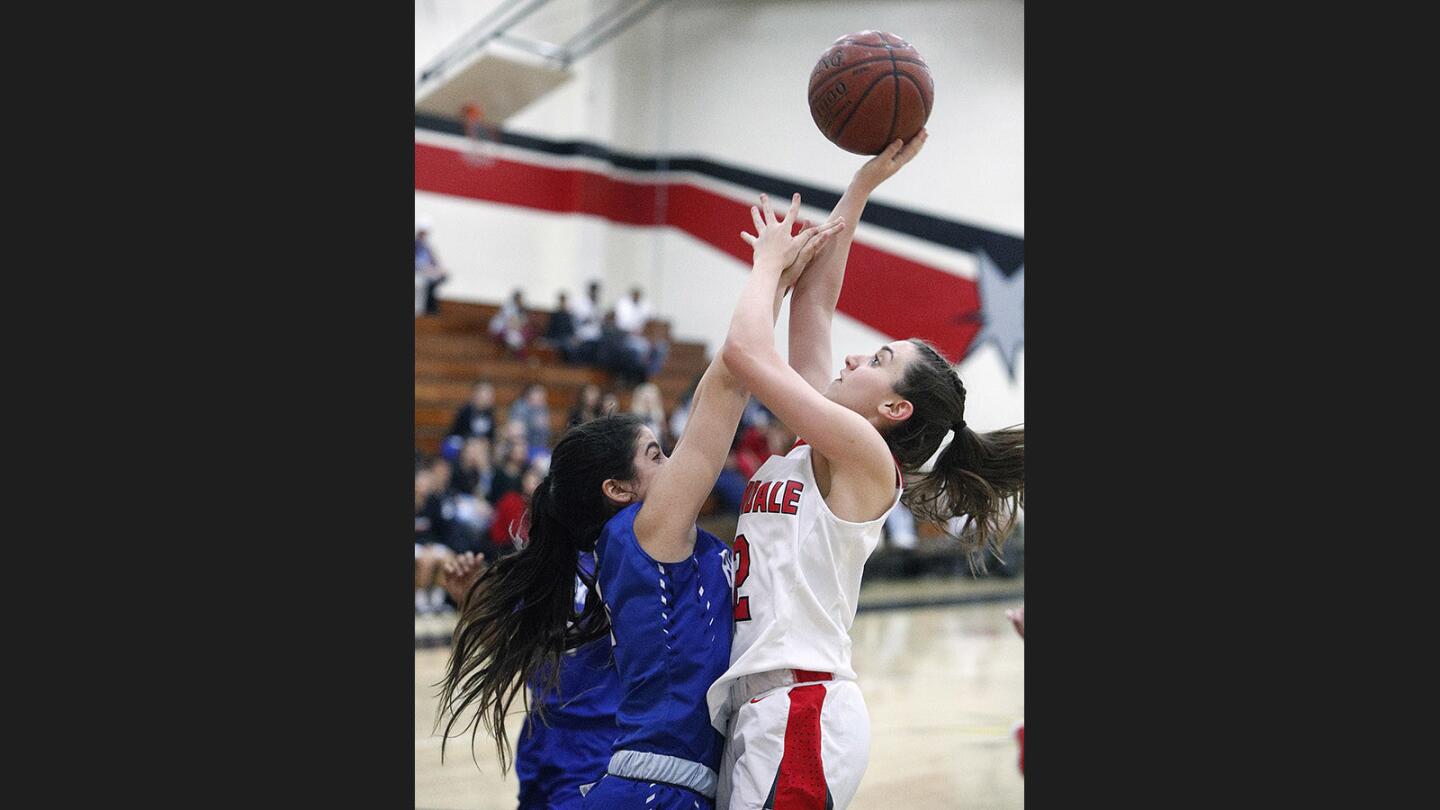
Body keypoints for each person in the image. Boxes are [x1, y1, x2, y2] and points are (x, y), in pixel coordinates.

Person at [436, 223, 837, 809]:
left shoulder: (643, 540)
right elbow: (727, 385)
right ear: (619, 489)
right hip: (650, 788)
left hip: (655, 783)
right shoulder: (644, 535)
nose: (672, 462)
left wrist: (776, 290)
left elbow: (719, 386)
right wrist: (766, 274)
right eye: (656, 455)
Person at [709, 134, 1025, 810]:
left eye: (877, 359)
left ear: (893, 406)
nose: (853, 359)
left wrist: (766, 268)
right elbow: (815, 309)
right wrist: (860, 188)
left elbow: (743, 351)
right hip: (769, 709)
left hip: (801, 710)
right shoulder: (822, 447)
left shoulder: (863, 455)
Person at [443, 547, 622, 810]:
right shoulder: (540, 560)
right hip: (542, 735)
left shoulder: (620, 553)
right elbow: (511, 648)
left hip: (601, 739)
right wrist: (473, 600)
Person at [415, 217, 449, 316]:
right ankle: (424, 310)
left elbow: (434, 262)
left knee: (435, 281)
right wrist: (428, 269)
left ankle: (430, 307)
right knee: (421, 283)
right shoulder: (416, 244)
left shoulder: (427, 247)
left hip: (428, 272)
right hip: (419, 272)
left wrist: (439, 269)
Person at [489, 289, 536, 356]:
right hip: (502, 328)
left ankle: (515, 354)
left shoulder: (521, 309)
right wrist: (520, 327)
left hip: (513, 328)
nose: (522, 301)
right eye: (521, 299)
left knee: (527, 333)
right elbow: (512, 323)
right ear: (517, 299)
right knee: (515, 337)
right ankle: (515, 355)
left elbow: (523, 322)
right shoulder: (509, 307)